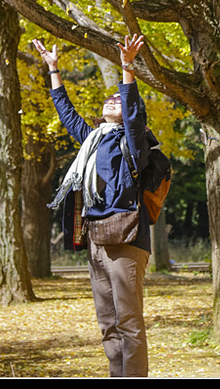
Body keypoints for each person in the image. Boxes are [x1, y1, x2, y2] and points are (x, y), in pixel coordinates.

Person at [34, 34, 151, 377]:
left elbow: (131, 111)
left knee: (128, 322)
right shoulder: (93, 141)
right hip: (96, 237)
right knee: (108, 322)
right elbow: (67, 115)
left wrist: (127, 67)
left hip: (126, 238)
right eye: (109, 97)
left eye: (119, 98)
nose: (113, 99)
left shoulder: (134, 142)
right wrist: (54, 70)